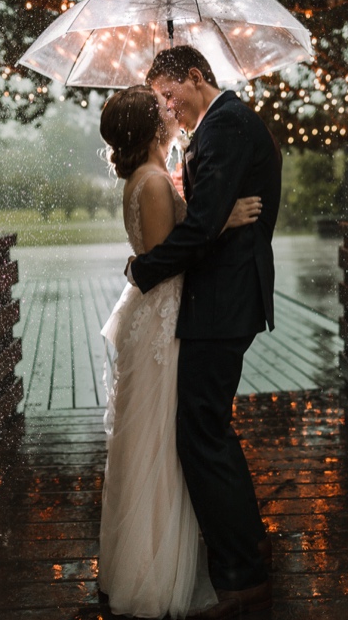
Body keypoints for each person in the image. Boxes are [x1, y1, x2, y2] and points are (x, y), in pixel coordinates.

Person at [127, 46, 282, 618]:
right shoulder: (219, 126)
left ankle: (242, 574)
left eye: (171, 95)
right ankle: (248, 544)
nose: (168, 108)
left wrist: (143, 270)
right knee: (209, 428)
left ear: (197, 77)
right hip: (222, 297)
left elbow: (199, 227)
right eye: (160, 101)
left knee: (200, 435)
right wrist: (212, 212)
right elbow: (210, 214)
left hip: (222, 300)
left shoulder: (226, 127)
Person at [97, 85, 262, 618]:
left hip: (161, 318)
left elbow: (178, 235)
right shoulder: (147, 181)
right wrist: (225, 219)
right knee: (158, 442)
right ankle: (153, 569)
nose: (173, 112)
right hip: (163, 323)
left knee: (162, 438)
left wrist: (210, 213)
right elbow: (171, 256)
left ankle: (162, 557)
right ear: (151, 129)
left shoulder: (147, 176)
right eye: (164, 110)